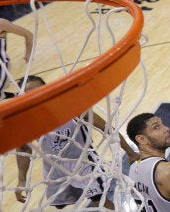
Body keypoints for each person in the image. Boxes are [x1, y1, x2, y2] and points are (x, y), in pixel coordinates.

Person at [14, 75, 140, 209]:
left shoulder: (71, 107)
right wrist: (22, 179)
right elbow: (23, 149)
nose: (36, 96)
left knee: (99, 200)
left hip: (83, 162)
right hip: (54, 167)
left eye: (39, 90)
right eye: (30, 94)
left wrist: (130, 152)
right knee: (60, 206)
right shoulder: (26, 120)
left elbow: (106, 127)